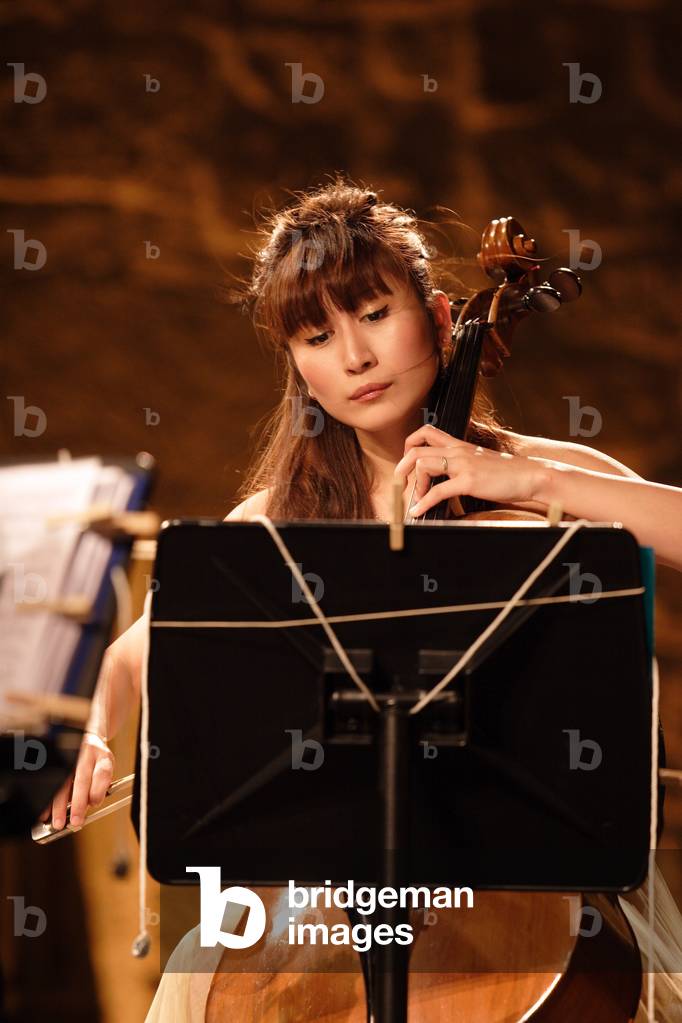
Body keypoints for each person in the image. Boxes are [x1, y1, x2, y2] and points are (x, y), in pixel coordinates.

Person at [43, 178, 682, 1020]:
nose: (354, 357)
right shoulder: (275, 522)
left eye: (376, 314)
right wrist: (92, 734)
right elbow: (133, 655)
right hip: (326, 915)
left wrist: (530, 480)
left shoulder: (544, 481)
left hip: (530, 891)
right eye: (317, 336)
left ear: (443, 317)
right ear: (297, 365)